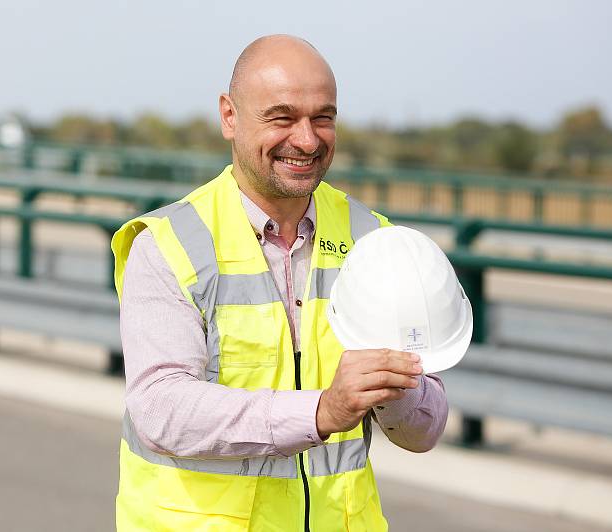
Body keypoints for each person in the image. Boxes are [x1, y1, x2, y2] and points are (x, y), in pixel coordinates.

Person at [111, 34, 449, 532]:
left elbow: (425, 431)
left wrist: (397, 391)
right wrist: (321, 410)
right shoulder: (168, 245)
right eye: (283, 117)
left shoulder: (375, 240)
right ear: (229, 116)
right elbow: (161, 408)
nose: (308, 139)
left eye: (323, 117)